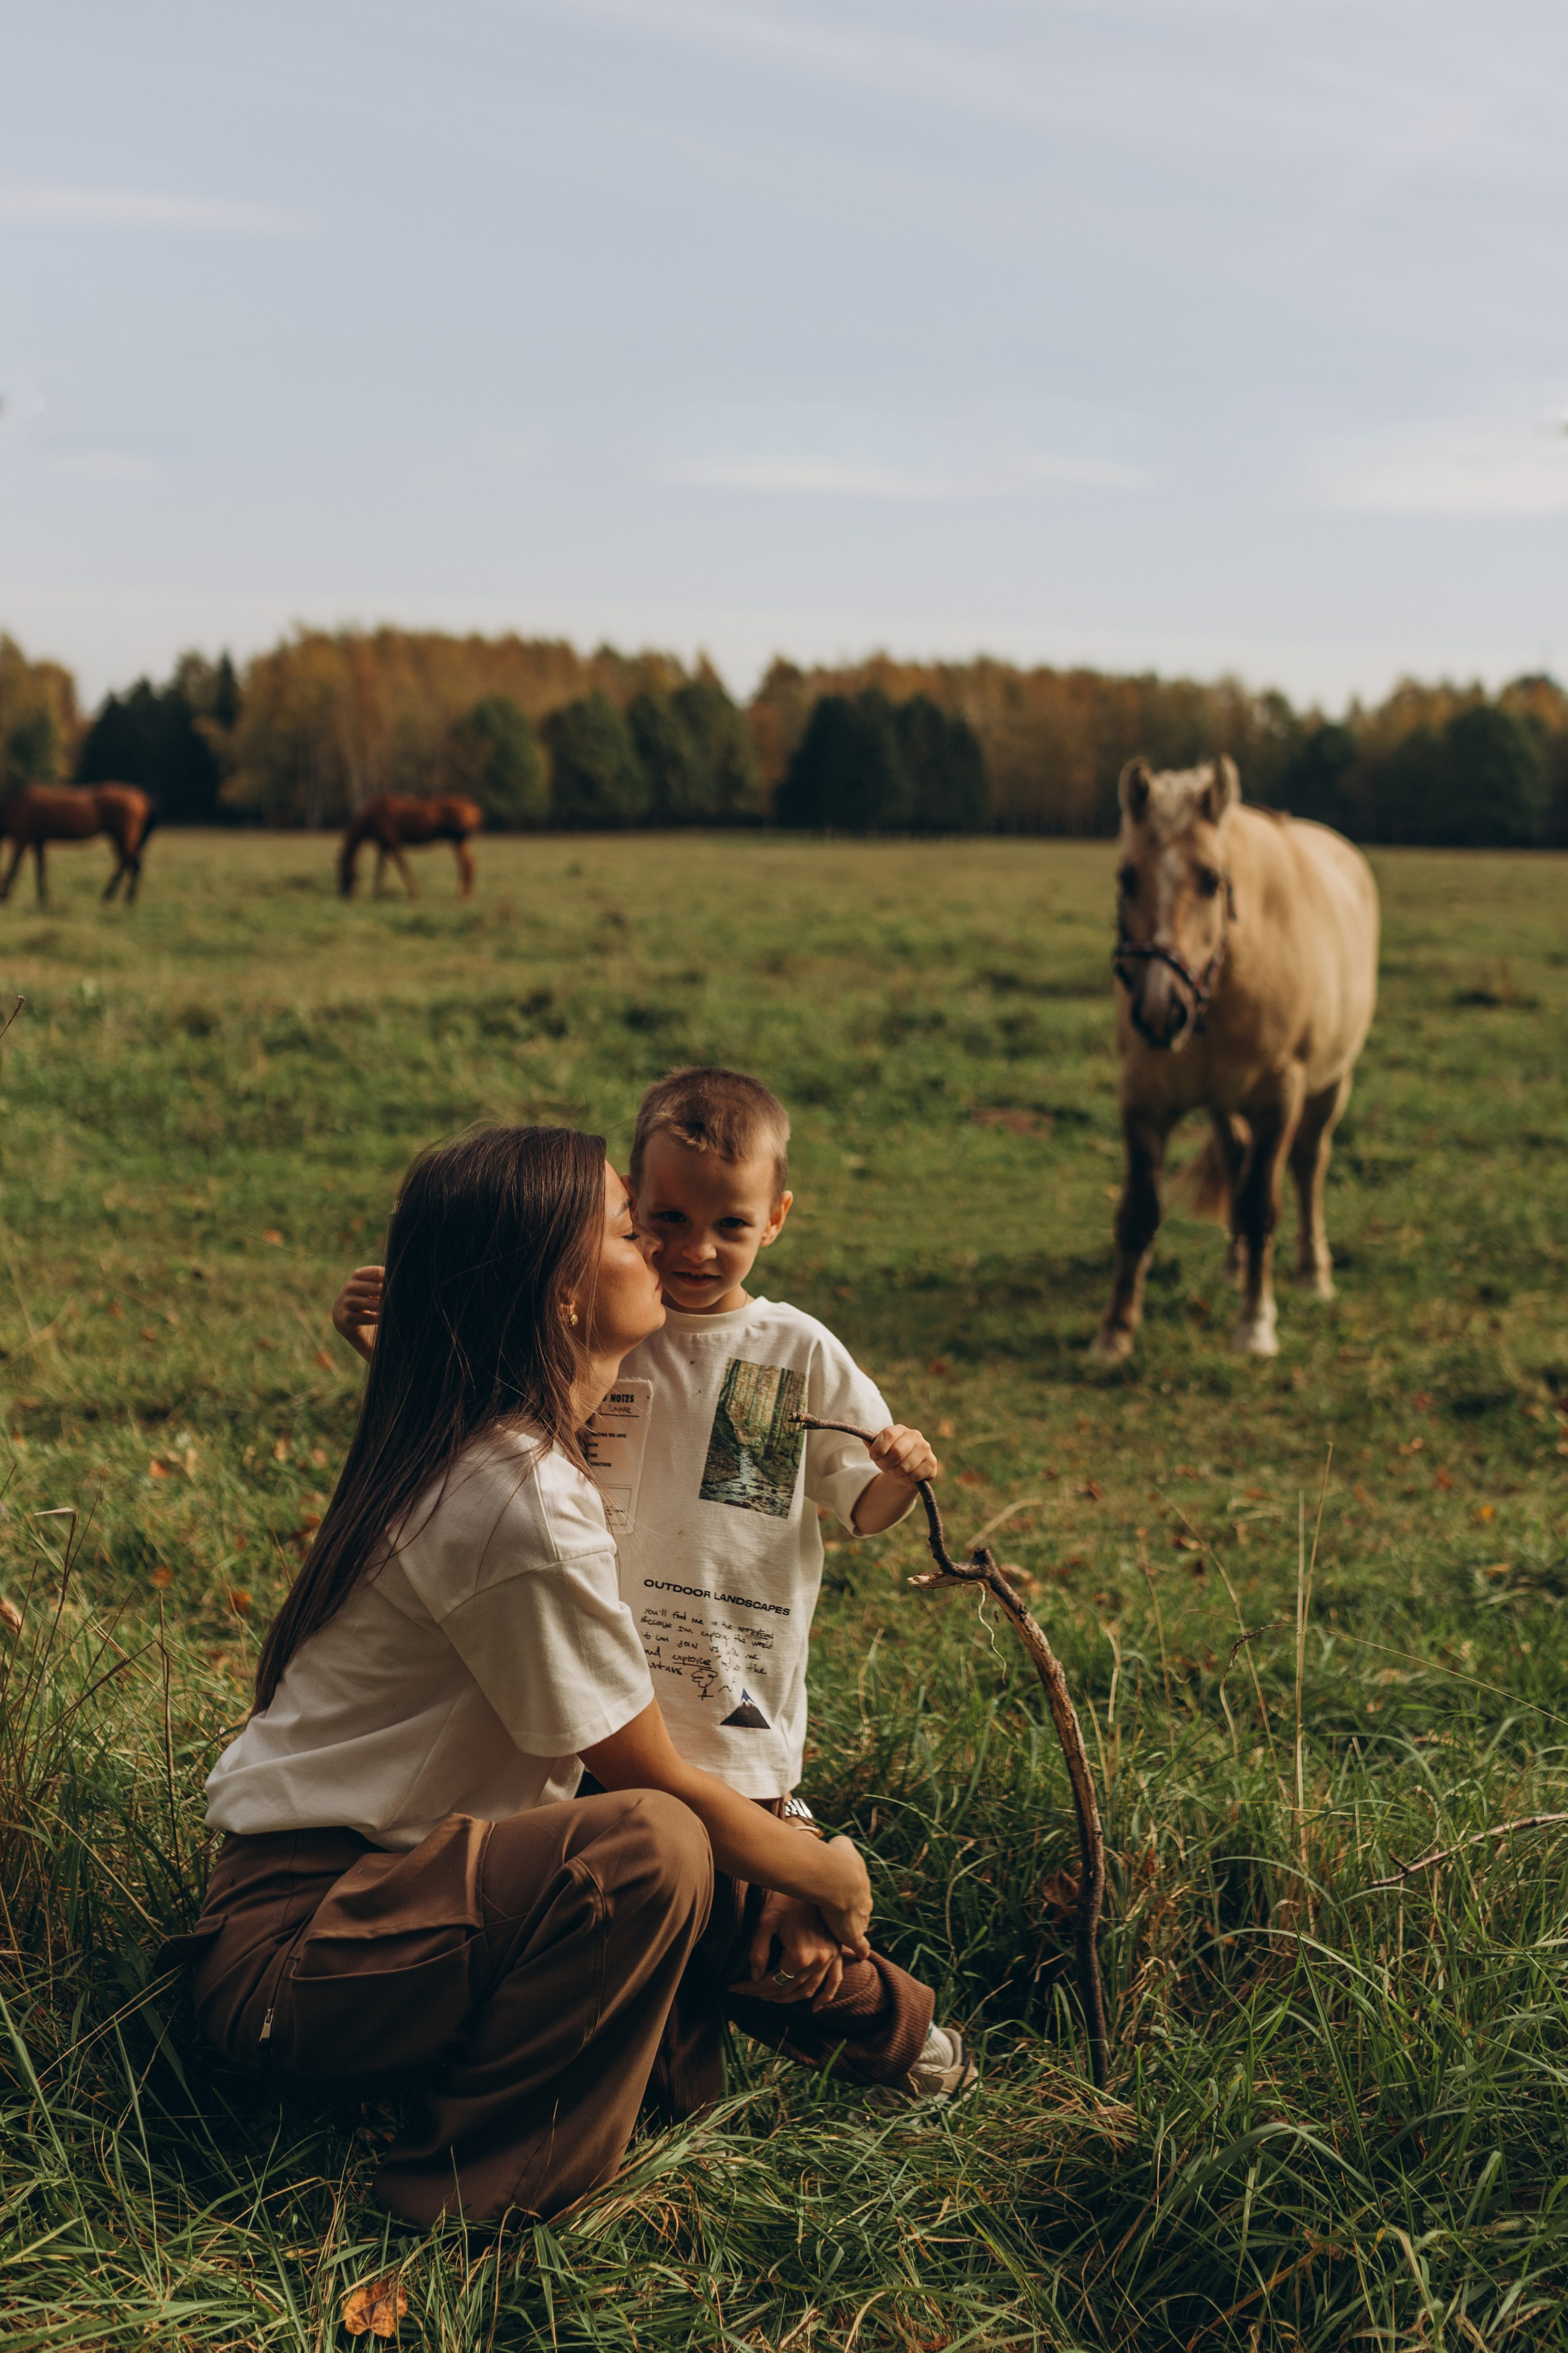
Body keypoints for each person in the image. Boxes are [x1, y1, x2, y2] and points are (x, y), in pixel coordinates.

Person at [172, 1126, 878, 2230]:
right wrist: (825, 1868)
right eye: (621, 1222)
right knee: (654, 1842)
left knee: (691, 1847)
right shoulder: (515, 1497)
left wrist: (786, 1848)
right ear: (558, 1294)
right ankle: (467, 2209)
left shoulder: (497, 1456)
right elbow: (651, 1778)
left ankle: (893, 2033)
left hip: (375, 1922)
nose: (653, 1236)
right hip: (303, 1956)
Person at [332, 1068, 976, 2110]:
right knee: (671, 1916)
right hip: (600, 1706)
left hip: (730, 1701)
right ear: (627, 1207)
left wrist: (897, 1470)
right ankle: (703, 2090)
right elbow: (486, 1427)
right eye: (658, 1222)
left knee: (747, 1915)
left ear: (778, 1216)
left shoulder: (788, 1352)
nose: (689, 1250)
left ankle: (896, 2035)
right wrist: (400, 1335)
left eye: (728, 1224)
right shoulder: (605, 1339)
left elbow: (858, 1503)